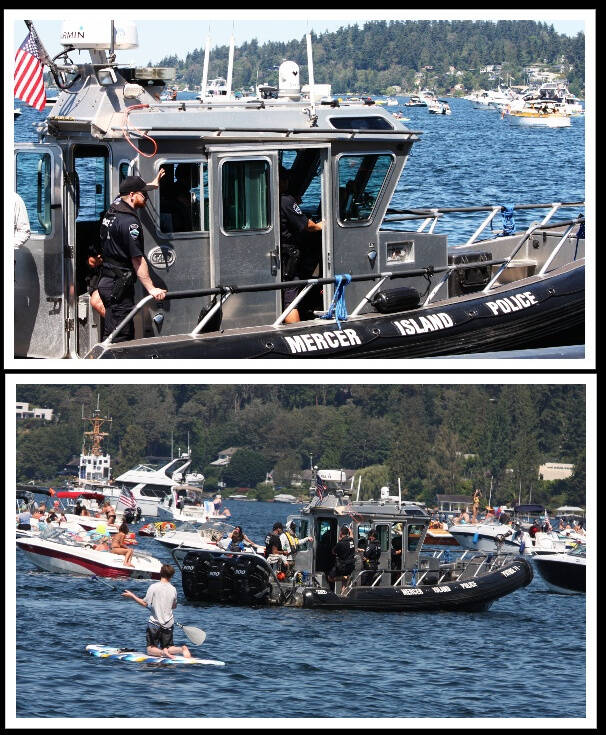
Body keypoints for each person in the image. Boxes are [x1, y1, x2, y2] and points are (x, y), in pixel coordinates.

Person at [97, 175, 167, 342]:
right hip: (118, 286)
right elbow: (137, 259)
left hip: (107, 280)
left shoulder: (114, 207)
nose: (147, 198)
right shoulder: (130, 223)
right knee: (121, 335)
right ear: (132, 195)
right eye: (144, 194)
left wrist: (152, 184)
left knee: (113, 328)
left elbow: (125, 190)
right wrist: (151, 289)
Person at [279, 167, 323, 323]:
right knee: (290, 299)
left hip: (280, 254)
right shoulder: (285, 200)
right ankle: (296, 330)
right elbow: (308, 226)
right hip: (287, 255)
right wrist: (321, 225)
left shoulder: (269, 198)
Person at [121, 564, 191, 659]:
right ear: (171, 576)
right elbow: (174, 606)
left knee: (150, 649)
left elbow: (144, 604)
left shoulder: (153, 587)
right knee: (169, 647)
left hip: (155, 624)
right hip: (169, 623)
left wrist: (132, 596)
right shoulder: (173, 589)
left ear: (160, 574)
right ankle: (181, 649)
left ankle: (163, 653)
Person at [327, 526, 356, 591]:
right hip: (350, 566)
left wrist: (339, 541)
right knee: (344, 584)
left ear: (340, 533)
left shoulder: (340, 543)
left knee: (330, 578)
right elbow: (351, 536)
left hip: (342, 566)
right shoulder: (351, 540)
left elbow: (333, 552)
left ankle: (345, 578)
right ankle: (343, 595)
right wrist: (350, 531)